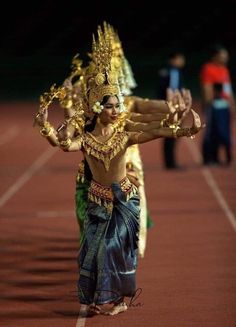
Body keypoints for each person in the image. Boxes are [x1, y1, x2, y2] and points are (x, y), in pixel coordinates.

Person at [34, 24, 203, 316]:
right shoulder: (87, 138)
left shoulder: (125, 133)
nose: (117, 110)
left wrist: (183, 129)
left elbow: (153, 129)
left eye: (118, 105)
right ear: (98, 109)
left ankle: (122, 299)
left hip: (125, 198)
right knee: (91, 251)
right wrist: (48, 128)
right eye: (111, 106)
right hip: (96, 199)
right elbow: (64, 144)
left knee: (115, 248)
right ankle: (98, 298)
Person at [200, 44, 235, 165]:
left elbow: (228, 90)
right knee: (212, 132)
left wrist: (232, 104)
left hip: (224, 106)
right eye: (223, 56)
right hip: (214, 106)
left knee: (224, 132)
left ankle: (225, 157)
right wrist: (207, 104)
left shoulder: (224, 70)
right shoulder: (208, 68)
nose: (226, 58)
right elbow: (207, 88)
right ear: (215, 56)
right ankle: (209, 158)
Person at [157, 51, 186, 169]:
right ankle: (171, 163)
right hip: (171, 107)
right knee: (172, 133)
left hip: (166, 106)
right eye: (180, 59)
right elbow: (172, 90)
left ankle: (169, 161)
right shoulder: (173, 72)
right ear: (173, 60)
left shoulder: (168, 71)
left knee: (170, 134)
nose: (182, 61)